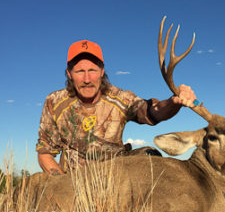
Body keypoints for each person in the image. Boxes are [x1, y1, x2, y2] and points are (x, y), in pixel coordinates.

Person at [36, 40, 197, 175]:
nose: (87, 79)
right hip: (74, 180)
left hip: (117, 177)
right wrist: (63, 186)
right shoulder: (55, 102)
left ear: (102, 71)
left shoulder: (119, 98)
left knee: (150, 155)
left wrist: (173, 102)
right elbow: (45, 153)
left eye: (92, 70)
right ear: (69, 74)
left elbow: (151, 112)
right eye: (79, 71)